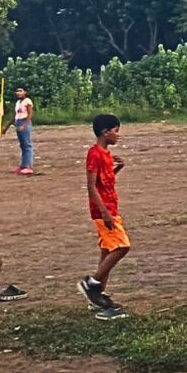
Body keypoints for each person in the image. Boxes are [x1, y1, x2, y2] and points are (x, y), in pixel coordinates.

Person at [79, 114, 131, 319]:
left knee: (106, 252)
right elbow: (91, 187)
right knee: (121, 247)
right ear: (104, 132)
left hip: (111, 207)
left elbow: (104, 183)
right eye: (115, 130)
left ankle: (98, 300)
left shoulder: (107, 155)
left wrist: (118, 168)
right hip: (103, 211)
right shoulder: (95, 154)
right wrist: (104, 213)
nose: (118, 135)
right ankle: (92, 285)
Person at [11, 86, 35, 176]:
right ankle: (23, 165)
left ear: (25, 92)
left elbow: (30, 114)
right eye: (17, 91)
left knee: (27, 145)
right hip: (18, 122)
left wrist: (24, 125)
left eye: (20, 91)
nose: (18, 93)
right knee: (22, 145)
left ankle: (28, 166)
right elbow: (15, 115)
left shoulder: (27, 101)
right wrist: (6, 127)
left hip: (25, 122)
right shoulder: (18, 102)